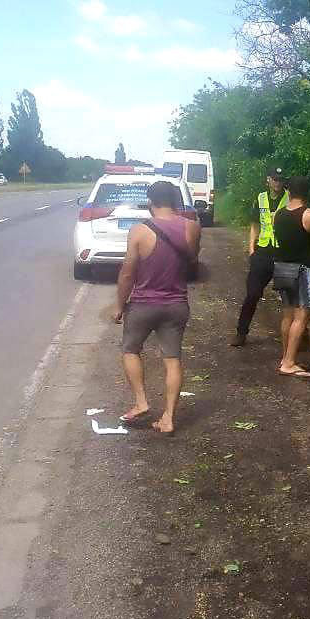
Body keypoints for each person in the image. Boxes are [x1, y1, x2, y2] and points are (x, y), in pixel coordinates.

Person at [113, 179, 201, 434]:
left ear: (150, 202)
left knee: (130, 349)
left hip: (143, 304)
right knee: (173, 359)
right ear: (175, 201)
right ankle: (168, 418)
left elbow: (127, 274)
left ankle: (141, 402)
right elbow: (193, 259)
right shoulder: (192, 227)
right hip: (176, 304)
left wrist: (119, 305)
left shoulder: (140, 231)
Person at [271, 176, 310, 377]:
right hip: (303, 269)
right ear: (307, 193)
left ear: (289, 191)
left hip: (282, 267)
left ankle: (285, 357)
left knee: (288, 315)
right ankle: (289, 363)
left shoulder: (278, 215)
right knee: (302, 317)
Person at [233, 167, 288, 346]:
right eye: (274, 179)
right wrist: (251, 249)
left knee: (292, 298)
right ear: (268, 180)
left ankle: (301, 335)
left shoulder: (290, 198)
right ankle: (241, 332)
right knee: (252, 294)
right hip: (263, 251)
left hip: (283, 252)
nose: (277, 182)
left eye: (280, 179)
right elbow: (254, 225)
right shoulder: (261, 198)